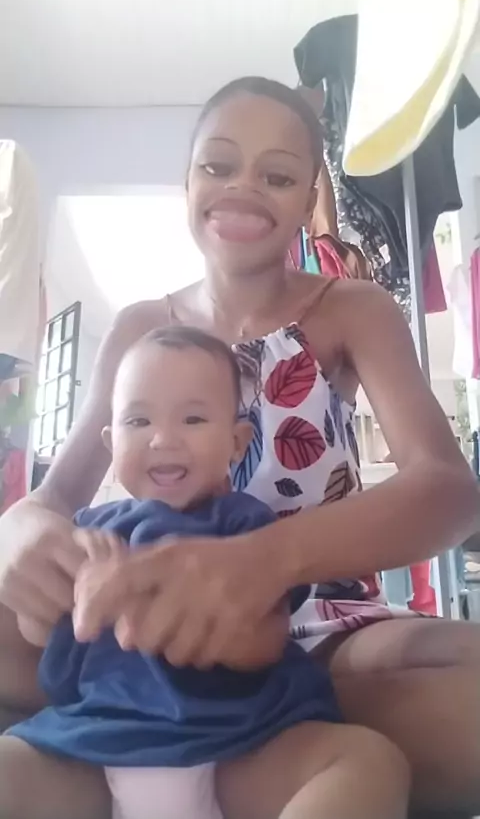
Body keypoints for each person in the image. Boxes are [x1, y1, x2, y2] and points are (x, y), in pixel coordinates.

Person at [0, 76, 478, 819]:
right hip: (143, 634)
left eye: (277, 175)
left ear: (309, 197)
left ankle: (230, 747)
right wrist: (22, 528)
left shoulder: (351, 308)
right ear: (186, 182)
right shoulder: (139, 328)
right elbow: (55, 496)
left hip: (320, 627)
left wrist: (264, 562)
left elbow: (446, 488)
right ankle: (167, 744)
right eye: (218, 165)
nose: (243, 188)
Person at [6, 325, 409, 819]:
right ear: (111, 442)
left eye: (193, 419)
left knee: (369, 763)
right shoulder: (89, 532)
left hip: (238, 744)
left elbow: (266, 641)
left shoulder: (242, 526)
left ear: (237, 443)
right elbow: (41, 633)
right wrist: (56, 601)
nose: (162, 439)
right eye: (138, 420)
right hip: (97, 743)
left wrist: (191, 625)